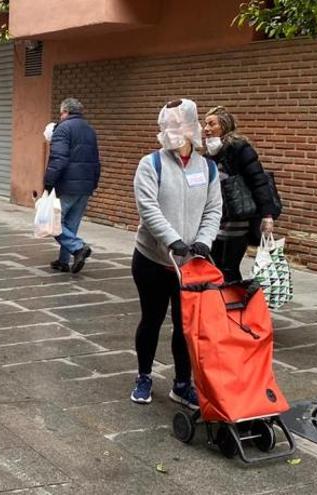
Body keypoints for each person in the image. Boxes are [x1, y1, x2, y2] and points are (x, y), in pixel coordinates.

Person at [130, 99, 222, 409]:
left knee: (186, 326)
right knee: (152, 319)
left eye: (180, 125)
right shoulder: (151, 164)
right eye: (169, 125)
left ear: (192, 129)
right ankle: (144, 376)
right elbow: (148, 207)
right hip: (153, 260)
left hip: (191, 265)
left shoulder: (207, 168)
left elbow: (213, 209)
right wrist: (172, 240)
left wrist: (204, 241)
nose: (174, 131)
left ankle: (182, 384)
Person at [203, 106, 279, 282]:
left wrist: (267, 215)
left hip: (237, 220)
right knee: (213, 266)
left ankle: (233, 305)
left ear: (224, 125)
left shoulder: (239, 149)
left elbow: (258, 181)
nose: (206, 128)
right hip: (215, 221)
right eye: (205, 124)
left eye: (211, 124)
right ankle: (218, 305)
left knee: (228, 268)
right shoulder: (208, 154)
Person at [43, 98, 101, 274]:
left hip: (67, 185)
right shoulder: (89, 129)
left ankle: (78, 248)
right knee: (71, 224)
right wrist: (94, 182)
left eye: (61, 113)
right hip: (85, 185)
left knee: (51, 221)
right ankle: (63, 261)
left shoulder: (63, 128)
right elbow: (96, 160)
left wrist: (48, 182)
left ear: (65, 112)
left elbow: (58, 159)